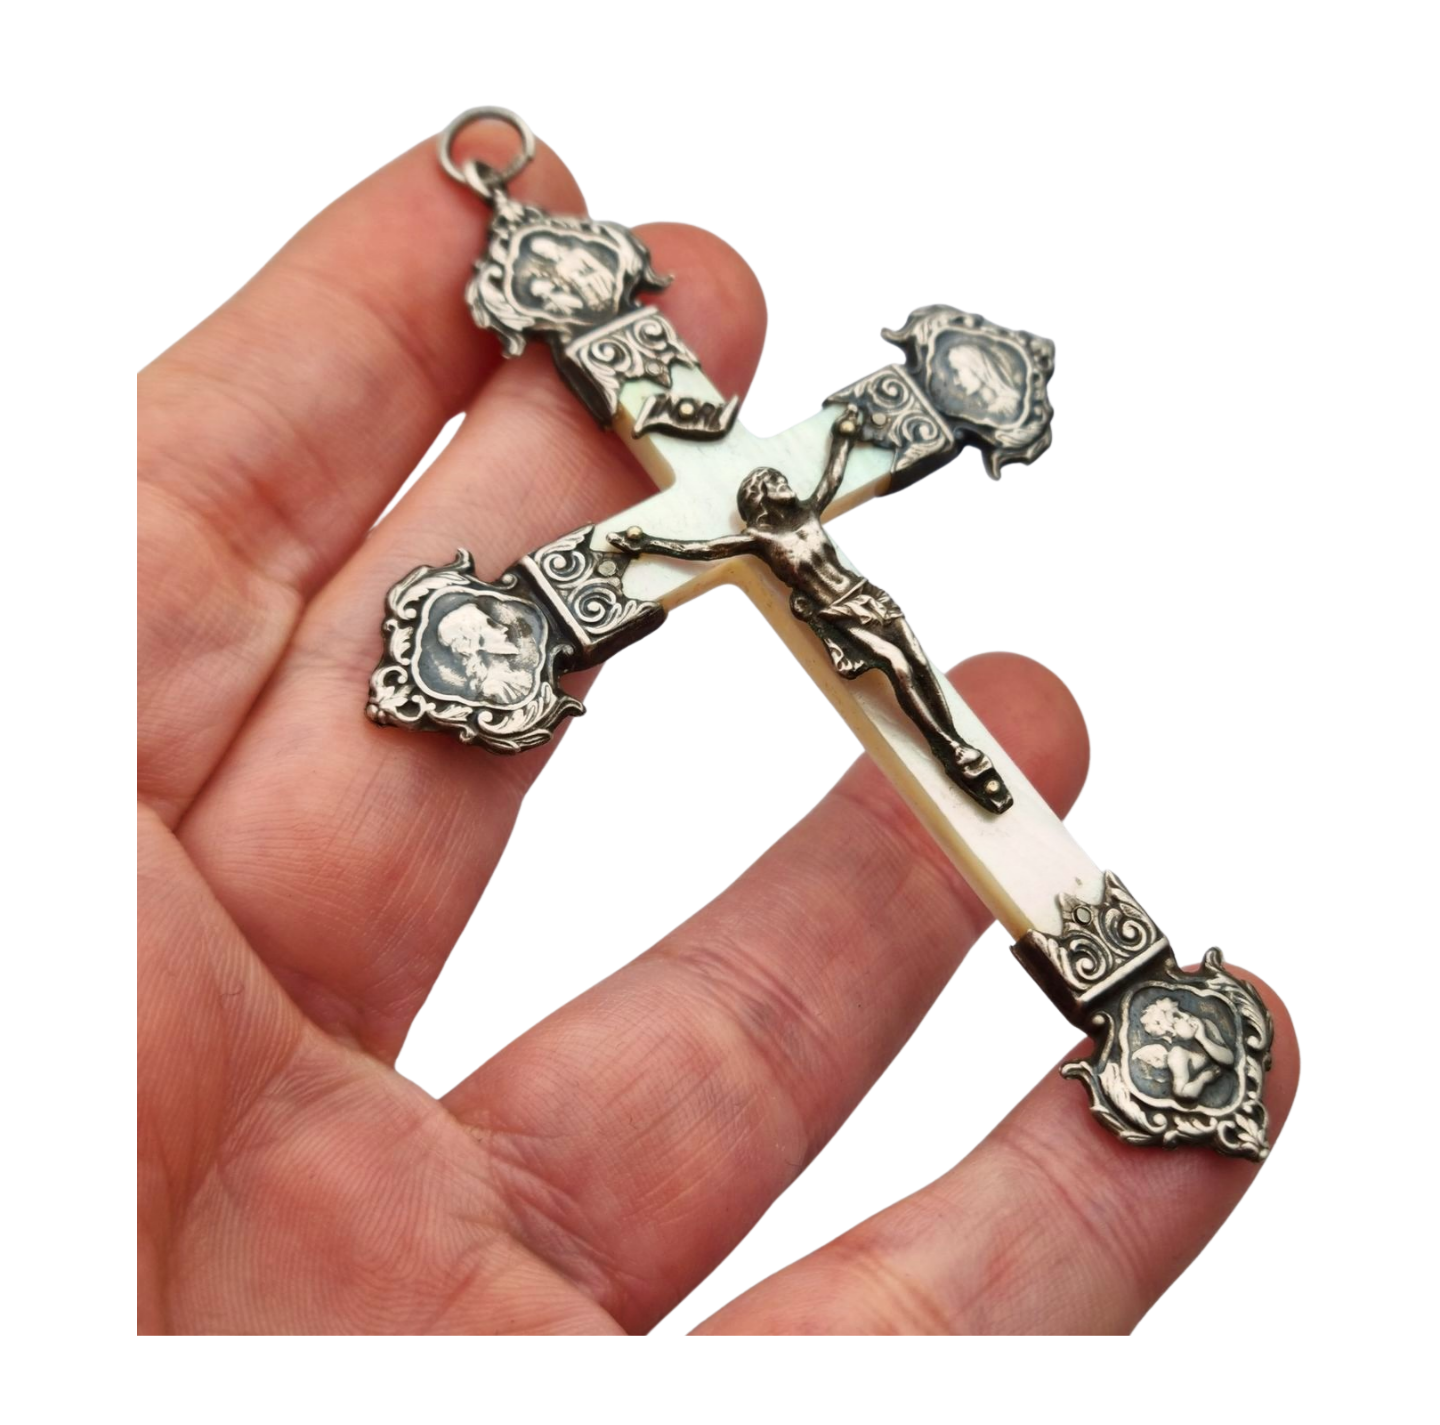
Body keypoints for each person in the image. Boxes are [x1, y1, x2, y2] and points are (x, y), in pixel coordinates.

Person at [137, 126, 1293, 1335]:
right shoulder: (709, 525)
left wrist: (926, 408)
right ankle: (1118, 976)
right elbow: (657, 542)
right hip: (791, 596)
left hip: (864, 621)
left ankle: (1104, 953)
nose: (771, 500)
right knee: (923, 708)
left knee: (937, 711)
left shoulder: (813, 472)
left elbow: (846, 446)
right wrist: (585, 576)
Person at [608, 407, 1013, 814]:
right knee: (896, 665)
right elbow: (705, 549)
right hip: (835, 612)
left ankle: (957, 743)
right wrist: (649, 543)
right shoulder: (760, 538)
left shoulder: (807, 512)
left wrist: (843, 437)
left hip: (868, 594)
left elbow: (832, 478)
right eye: (775, 482)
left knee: (920, 663)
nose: (784, 483)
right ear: (760, 497)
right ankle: (949, 747)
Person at [1134, 997, 1237, 1102]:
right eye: (1177, 1018)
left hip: (1229, 1090)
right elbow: (1182, 1093)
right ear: (1172, 1034)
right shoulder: (1177, 1054)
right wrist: (1202, 1079)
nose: (1187, 1016)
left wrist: (1203, 1038)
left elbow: (1229, 1059)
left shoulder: (1205, 1025)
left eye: (1181, 1012)